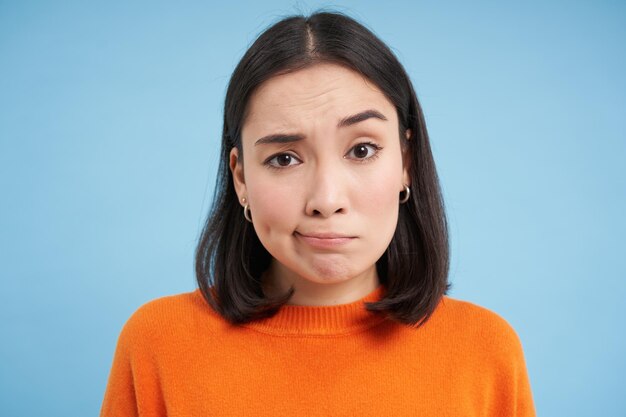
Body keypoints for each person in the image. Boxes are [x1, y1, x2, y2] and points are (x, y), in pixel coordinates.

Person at [100, 11, 536, 417]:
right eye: (284, 158)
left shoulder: (486, 352)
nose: (326, 199)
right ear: (241, 179)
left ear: (406, 161)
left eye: (362, 150)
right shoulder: (158, 343)